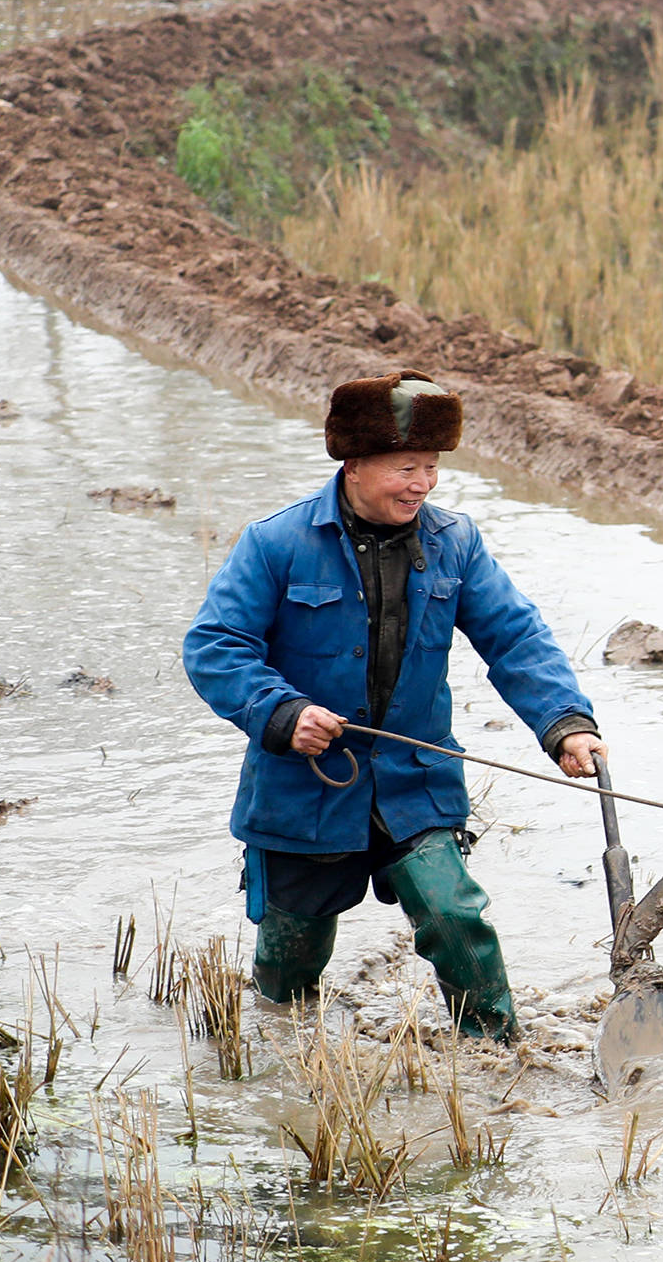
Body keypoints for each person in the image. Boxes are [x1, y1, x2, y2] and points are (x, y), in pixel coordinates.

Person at [184, 371, 603, 1041]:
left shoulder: (453, 543)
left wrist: (565, 724)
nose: (423, 484)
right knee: (289, 975)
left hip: (415, 781)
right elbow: (214, 647)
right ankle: (283, 1064)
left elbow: (515, 635)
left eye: (432, 468)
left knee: (456, 915)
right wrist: (284, 714)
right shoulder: (276, 544)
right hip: (306, 791)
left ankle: (498, 1055)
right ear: (354, 465)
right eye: (407, 467)